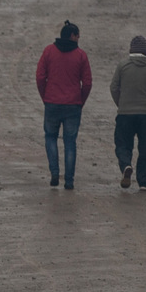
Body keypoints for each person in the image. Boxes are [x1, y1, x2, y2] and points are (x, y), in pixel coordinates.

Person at [35, 21, 92, 190]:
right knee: (70, 142)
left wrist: (45, 97)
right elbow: (87, 83)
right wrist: (81, 100)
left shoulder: (49, 51)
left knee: (50, 137)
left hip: (52, 103)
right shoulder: (81, 55)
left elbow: (40, 77)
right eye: (78, 35)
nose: (79, 38)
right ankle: (69, 180)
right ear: (72, 36)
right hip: (73, 105)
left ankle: (54, 172)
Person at [109, 36, 146, 191]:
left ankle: (126, 165)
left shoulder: (123, 66)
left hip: (125, 114)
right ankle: (144, 182)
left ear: (131, 50)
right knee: (145, 148)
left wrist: (121, 104)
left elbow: (113, 87)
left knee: (122, 144)